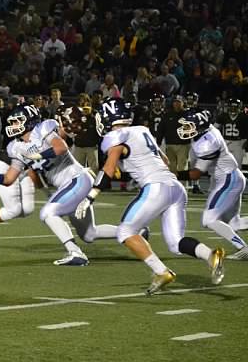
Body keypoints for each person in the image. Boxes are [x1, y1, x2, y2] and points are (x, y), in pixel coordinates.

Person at [75, 98, 225, 295]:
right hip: (175, 187)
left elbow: (108, 170)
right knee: (175, 243)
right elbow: (163, 160)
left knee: (125, 232)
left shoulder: (115, 136)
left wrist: (90, 197)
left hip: (155, 187)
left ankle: (161, 271)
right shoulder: (142, 130)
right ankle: (211, 255)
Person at [0, 104, 118, 265]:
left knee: (48, 213)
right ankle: (132, 232)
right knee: (89, 233)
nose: (13, 126)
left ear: (28, 120)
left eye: (17, 121)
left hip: (77, 179)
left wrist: (37, 155)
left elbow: (60, 148)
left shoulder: (42, 128)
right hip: (70, 186)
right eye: (12, 123)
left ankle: (75, 253)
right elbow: (9, 179)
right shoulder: (15, 147)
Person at [177, 109, 248, 260]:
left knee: (209, 219)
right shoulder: (207, 131)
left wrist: (174, 174)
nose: (185, 129)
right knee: (234, 224)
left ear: (200, 126)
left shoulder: (207, 142)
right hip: (231, 177)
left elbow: (196, 174)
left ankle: (243, 248)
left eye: (189, 126)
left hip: (229, 180)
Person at [215, 98, 248, 167]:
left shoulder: (243, 117)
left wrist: (245, 141)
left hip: (238, 143)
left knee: (237, 166)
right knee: (223, 165)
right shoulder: (223, 116)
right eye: (232, 107)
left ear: (239, 107)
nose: (233, 109)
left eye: (235, 107)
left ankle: (236, 178)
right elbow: (214, 128)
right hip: (225, 142)